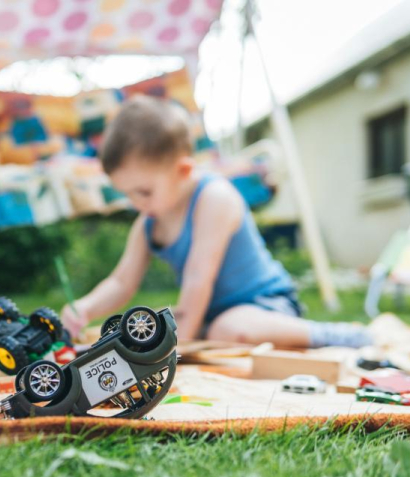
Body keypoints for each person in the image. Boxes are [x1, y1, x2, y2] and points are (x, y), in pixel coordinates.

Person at [61, 95, 371, 349]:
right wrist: (85, 308)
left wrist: (175, 346)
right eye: (127, 194)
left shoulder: (214, 198)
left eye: (143, 191)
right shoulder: (149, 221)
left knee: (226, 330)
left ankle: (329, 335)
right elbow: (120, 282)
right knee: (143, 328)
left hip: (265, 307)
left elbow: (198, 280)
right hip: (213, 314)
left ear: (183, 170)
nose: (135, 203)